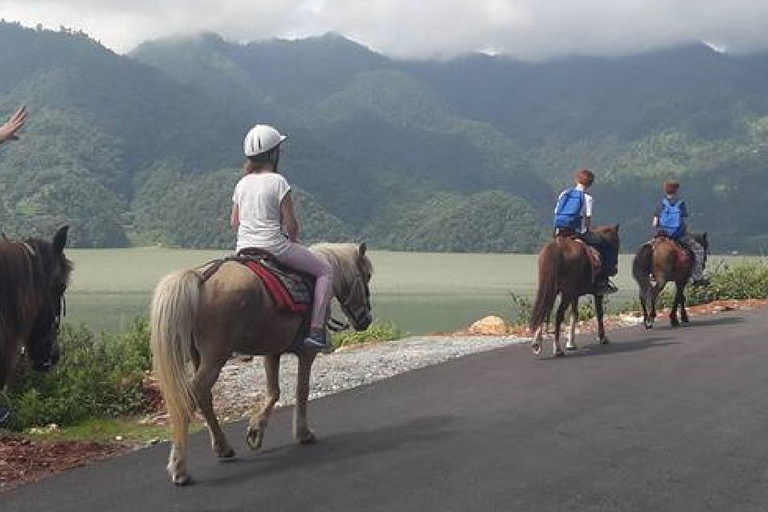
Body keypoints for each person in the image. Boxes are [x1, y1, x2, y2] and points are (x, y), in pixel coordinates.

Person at [231, 124, 334, 348]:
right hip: (274, 247)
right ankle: (317, 330)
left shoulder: (241, 183)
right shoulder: (279, 181)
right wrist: (293, 240)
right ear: (273, 154)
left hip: (243, 248)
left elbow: (234, 223)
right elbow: (291, 225)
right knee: (325, 270)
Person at [553, 168, 618, 295]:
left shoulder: (564, 193)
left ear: (576, 179)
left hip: (559, 231)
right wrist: (588, 231)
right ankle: (602, 281)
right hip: (578, 232)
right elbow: (587, 220)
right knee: (605, 243)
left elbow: (556, 212)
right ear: (590, 184)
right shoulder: (587, 198)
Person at [653, 180, 707, 285]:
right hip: (679, 235)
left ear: (665, 190)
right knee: (699, 249)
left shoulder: (661, 204)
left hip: (663, 235)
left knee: (651, 249)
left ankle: (652, 273)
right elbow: (681, 219)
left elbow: (654, 223)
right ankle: (697, 277)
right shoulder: (680, 203)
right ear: (676, 190)